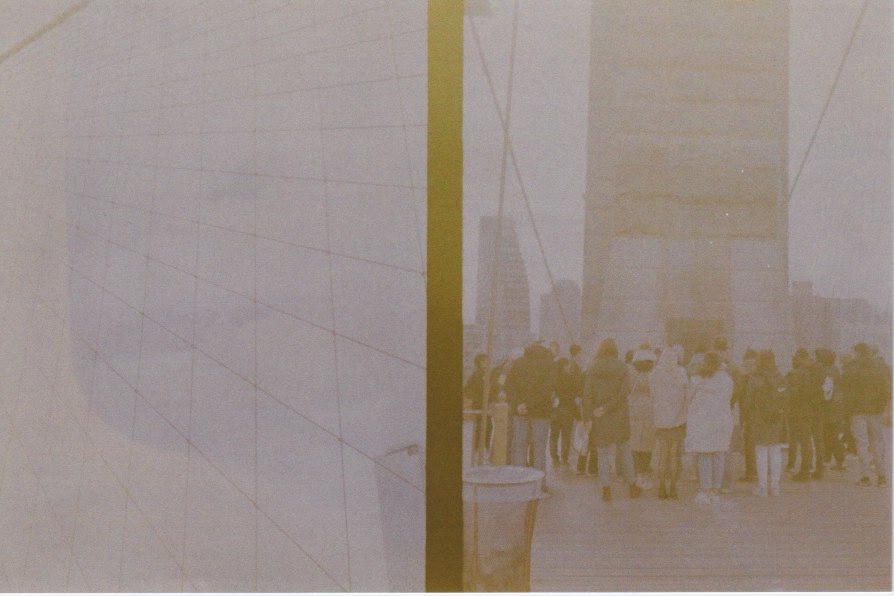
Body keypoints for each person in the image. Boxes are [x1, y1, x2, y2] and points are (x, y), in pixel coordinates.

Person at [583, 338, 641, 501]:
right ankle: (632, 486)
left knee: (602, 453)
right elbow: (624, 392)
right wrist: (608, 407)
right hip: (618, 416)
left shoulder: (593, 367)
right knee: (624, 451)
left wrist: (589, 415)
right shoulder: (622, 367)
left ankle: (606, 489)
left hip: (599, 416)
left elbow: (587, 394)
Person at [684, 351, 734, 505]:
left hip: (702, 421)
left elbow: (688, 398)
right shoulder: (727, 379)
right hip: (721, 421)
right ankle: (715, 491)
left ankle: (705, 490)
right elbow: (729, 398)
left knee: (704, 456)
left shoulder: (696, 380)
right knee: (718, 455)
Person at [841, 343, 891, 487]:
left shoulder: (851, 368)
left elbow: (846, 391)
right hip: (875, 412)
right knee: (877, 442)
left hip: (857, 412)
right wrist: (882, 407)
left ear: (857, 353)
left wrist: (849, 409)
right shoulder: (881, 367)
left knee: (861, 444)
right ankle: (881, 476)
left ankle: (865, 477)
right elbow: (887, 391)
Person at [505, 343, 556, 482]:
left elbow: (509, 385)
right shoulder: (549, 365)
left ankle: (518, 482)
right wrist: (529, 404)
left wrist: (518, 404)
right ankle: (538, 484)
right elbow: (546, 390)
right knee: (539, 449)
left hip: (519, 412)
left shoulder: (518, 363)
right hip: (541, 413)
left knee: (519, 447)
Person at [745, 350, 787, 497]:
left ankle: (762, 487)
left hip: (759, 419)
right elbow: (785, 398)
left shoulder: (755, 378)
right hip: (776, 419)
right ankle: (775, 487)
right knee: (775, 451)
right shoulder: (779, 377)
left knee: (761, 452)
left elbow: (748, 400)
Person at [650, 345, 688, 499]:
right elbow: (687, 395)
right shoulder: (681, 373)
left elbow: (652, 396)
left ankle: (661, 488)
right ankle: (673, 488)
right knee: (674, 455)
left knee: (662, 454)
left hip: (661, 420)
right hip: (678, 420)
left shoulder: (654, 373)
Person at [787, 348, 826, 481]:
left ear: (799, 358)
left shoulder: (798, 373)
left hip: (803, 410)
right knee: (819, 439)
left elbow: (794, 394)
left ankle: (805, 470)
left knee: (805, 441)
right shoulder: (820, 371)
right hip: (819, 409)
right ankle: (820, 469)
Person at [628, 347, 657, 490]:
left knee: (635, 445)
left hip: (633, 410)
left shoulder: (632, 376)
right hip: (650, 412)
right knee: (647, 445)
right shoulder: (653, 376)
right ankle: (643, 474)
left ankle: (637, 474)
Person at [816, 348, 847, 471]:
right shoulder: (835, 370)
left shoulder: (824, 371)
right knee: (831, 434)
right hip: (837, 406)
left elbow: (822, 390)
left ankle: (836, 459)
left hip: (827, 406)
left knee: (829, 434)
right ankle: (833, 459)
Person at [550, 354, 581, 467]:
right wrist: (577, 413)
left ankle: (554, 457)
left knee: (554, 435)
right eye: (567, 365)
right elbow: (574, 396)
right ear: (564, 366)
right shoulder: (571, 379)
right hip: (567, 411)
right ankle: (564, 457)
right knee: (566, 435)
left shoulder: (552, 379)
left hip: (554, 411)